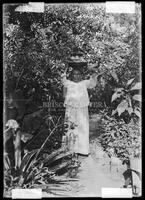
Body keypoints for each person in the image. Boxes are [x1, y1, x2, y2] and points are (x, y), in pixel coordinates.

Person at [61, 66, 102, 158]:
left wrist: (94, 73)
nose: (76, 76)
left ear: (81, 75)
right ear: (71, 75)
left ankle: (82, 149)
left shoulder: (85, 83)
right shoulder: (68, 83)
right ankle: (69, 149)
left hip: (82, 109)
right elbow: (63, 88)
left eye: (78, 74)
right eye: (74, 74)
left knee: (82, 126)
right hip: (71, 109)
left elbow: (93, 83)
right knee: (70, 127)